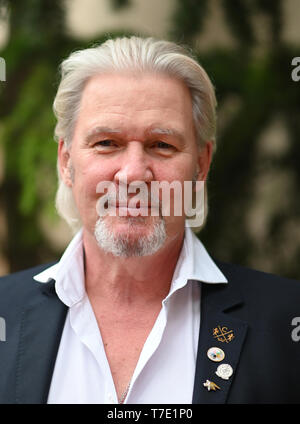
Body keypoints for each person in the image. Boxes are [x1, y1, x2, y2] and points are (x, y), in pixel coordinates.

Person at [0, 36, 300, 405]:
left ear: (201, 165)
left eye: (162, 145)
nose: (133, 174)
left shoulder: (285, 321)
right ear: (66, 162)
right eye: (107, 142)